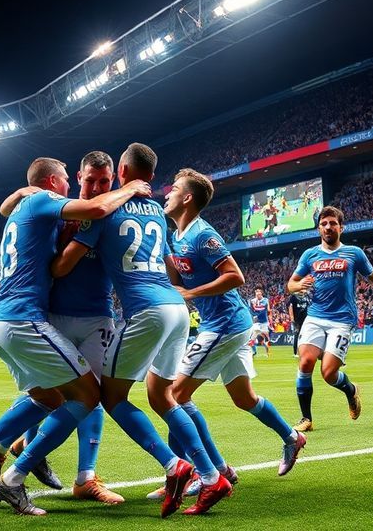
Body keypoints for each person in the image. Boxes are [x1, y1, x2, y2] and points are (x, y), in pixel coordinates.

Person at [0, 156, 152, 516]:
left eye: (105, 182)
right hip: (25, 318)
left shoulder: (37, 206)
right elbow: (92, 210)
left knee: (48, 399)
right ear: (61, 181)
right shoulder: (50, 203)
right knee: (87, 393)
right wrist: (131, 187)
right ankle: (13, 475)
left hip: (12, 319)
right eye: (83, 181)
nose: (88, 188)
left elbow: (11, 207)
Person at [51, 144, 231, 517]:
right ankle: (213, 479)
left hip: (145, 311)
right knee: (162, 397)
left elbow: (62, 268)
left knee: (111, 398)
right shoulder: (157, 212)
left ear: (121, 171)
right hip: (176, 309)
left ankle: (174, 466)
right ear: (150, 176)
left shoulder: (105, 211)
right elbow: (170, 266)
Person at [144, 168, 304, 511]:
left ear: (187, 198)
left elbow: (235, 275)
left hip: (225, 324)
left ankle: (210, 471)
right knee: (244, 398)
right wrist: (164, 256)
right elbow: (176, 276)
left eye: (173, 189)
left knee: (174, 395)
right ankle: (292, 437)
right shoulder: (177, 235)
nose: (167, 194)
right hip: (227, 323)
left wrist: (191, 291)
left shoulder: (203, 234)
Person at [0, 150, 125, 505]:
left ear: (112, 181)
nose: (96, 187)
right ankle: (9, 450)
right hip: (51, 316)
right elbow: (15, 212)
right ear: (77, 178)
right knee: (57, 395)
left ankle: (86, 477)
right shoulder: (60, 210)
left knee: (87, 395)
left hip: (98, 316)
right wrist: (22, 192)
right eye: (89, 180)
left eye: (104, 182)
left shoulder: (113, 213)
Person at [287, 206, 373, 433]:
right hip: (315, 316)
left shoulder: (354, 253)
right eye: (324, 224)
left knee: (328, 374)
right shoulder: (310, 255)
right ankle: (306, 418)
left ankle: (350, 390)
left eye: (332, 223)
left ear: (341, 227)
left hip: (342, 319)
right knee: (305, 362)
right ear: (319, 228)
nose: (328, 227)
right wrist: (299, 285)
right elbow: (291, 284)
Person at [249, 287, 272, 358]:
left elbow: (268, 310)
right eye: (256, 292)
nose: (258, 293)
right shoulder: (252, 301)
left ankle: (268, 352)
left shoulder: (265, 300)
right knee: (252, 337)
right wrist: (254, 316)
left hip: (264, 322)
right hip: (256, 322)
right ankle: (253, 352)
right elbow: (251, 310)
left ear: (261, 293)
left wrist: (270, 320)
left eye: (259, 291)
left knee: (266, 339)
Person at [287, 291, 310, 357]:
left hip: (306, 319)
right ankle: (295, 353)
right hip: (297, 320)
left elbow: (309, 306)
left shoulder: (306, 296)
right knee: (297, 335)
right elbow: (290, 307)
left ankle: (305, 351)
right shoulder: (294, 297)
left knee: (306, 335)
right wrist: (292, 318)